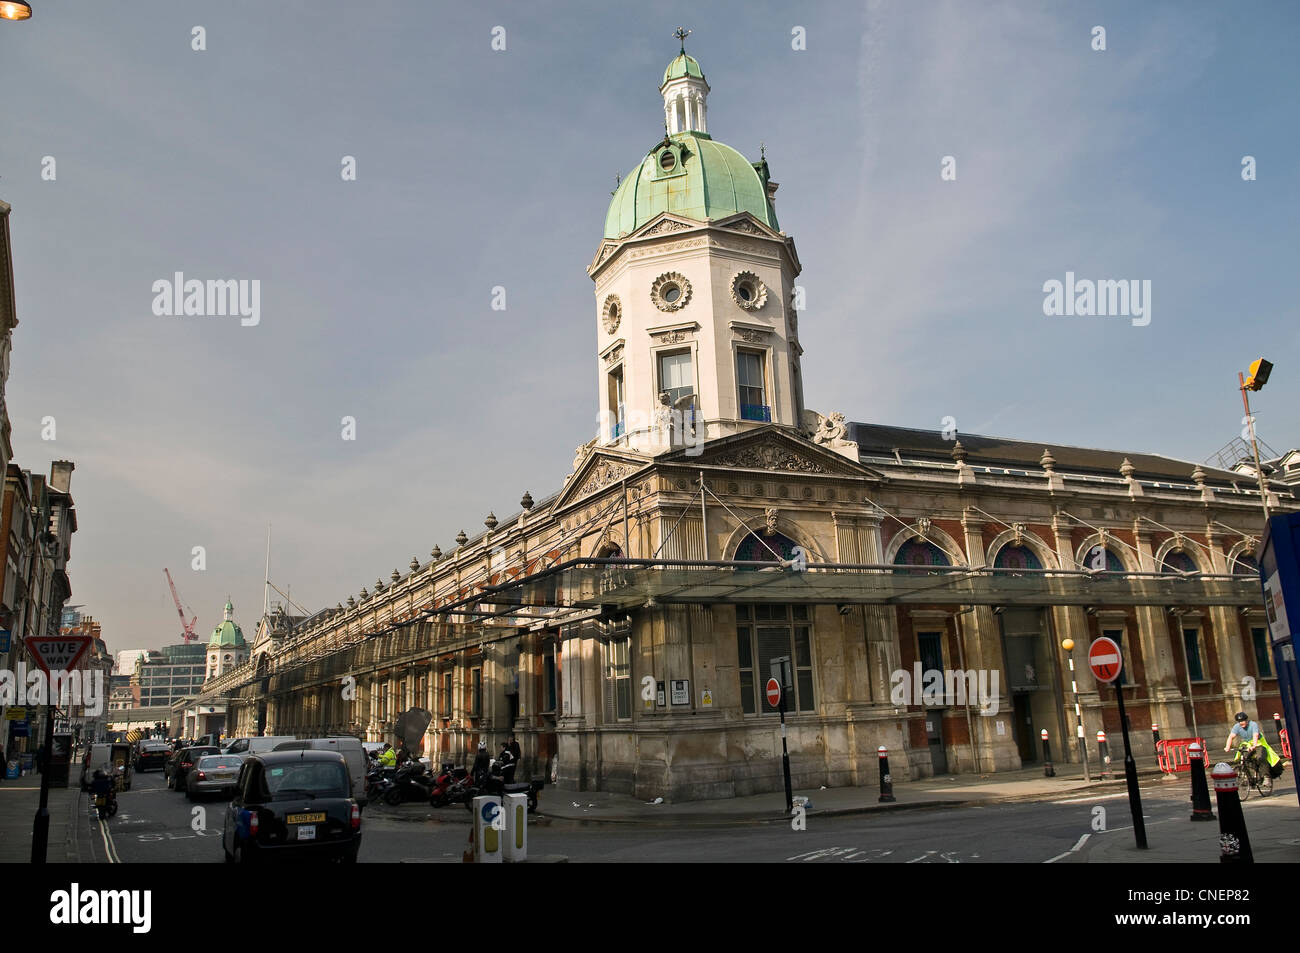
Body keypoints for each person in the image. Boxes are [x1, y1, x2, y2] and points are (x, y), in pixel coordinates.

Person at [1224, 711, 1280, 777]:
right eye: (1239, 721)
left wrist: (1254, 745)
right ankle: (1249, 776)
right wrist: (1227, 747)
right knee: (1244, 758)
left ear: (1246, 720)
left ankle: (1266, 776)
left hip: (1259, 743)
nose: (1241, 723)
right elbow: (1231, 737)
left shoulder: (1253, 724)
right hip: (1247, 744)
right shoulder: (1237, 726)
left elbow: (1255, 735)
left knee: (1260, 757)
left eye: (1243, 720)